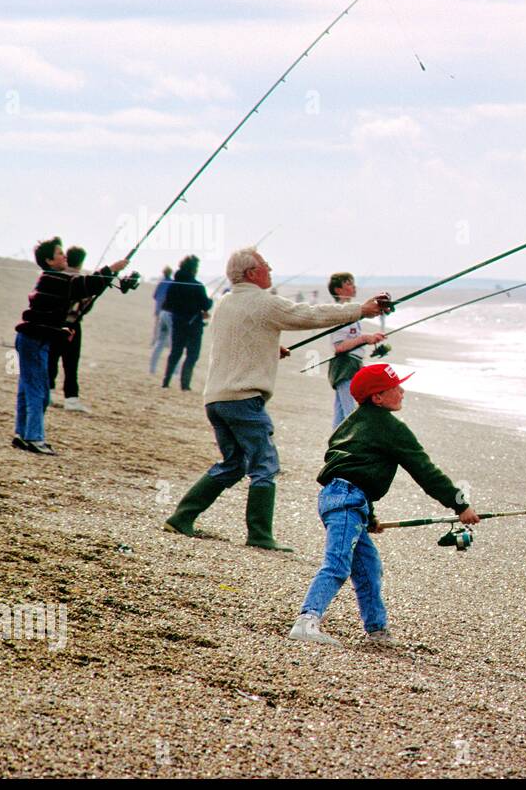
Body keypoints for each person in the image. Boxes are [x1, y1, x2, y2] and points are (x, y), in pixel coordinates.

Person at [163, 247, 385, 551]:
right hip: (243, 399)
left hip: (216, 399)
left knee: (233, 463)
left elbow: (236, 337)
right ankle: (259, 534)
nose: (271, 269)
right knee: (265, 464)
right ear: (252, 273)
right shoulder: (262, 302)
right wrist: (361, 310)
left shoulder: (225, 302)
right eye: (266, 265)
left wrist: (268, 347)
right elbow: (309, 314)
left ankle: (181, 517)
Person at [289, 363, 479, 646]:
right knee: (338, 563)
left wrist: (369, 515)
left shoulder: (351, 424)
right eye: (395, 387)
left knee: (368, 567)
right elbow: (425, 471)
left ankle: (377, 632)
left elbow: (355, 466)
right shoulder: (390, 428)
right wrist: (459, 506)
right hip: (348, 500)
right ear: (377, 398)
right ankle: (306, 621)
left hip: (343, 498)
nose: (402, 391)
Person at [13, 237, 128, 454]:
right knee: (39, 393)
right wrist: (113, 268)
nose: (64, 256)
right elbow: (85, 285)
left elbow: (43, 315)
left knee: (27, 390)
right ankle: (35, 439)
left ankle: (21, 435)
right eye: (59, 253)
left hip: (34, 338)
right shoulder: (55, 279)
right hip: (34, 341)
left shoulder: (50, 279)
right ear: (49, 260)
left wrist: (60, 331)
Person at [325, 272, 385, 427]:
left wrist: (371, 338)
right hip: (345, 366)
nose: (354, 286)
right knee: (350, 412)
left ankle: (336, 447)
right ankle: (347, 446)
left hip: (352, 364)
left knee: (341, 412)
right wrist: (365, 338)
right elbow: (339, 347)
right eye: (349, 284)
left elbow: (351, 342)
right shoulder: (340, 313)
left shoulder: (350, 313)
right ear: (338, 290)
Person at [47, 246, 95, 413]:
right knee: (71, 363)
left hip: (53, 323)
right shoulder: (82, 281)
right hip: (73, 325)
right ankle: (71, 400)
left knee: (51, 358)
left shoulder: (55, 276)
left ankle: (48, 393)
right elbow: (85, 308)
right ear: (81, 261)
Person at [161, 255, 213, 391]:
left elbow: (167, 305)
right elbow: (206, 305)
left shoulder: (174, 284)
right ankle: (185, 384)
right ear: (193, 269)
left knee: (175, 353)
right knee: (192, 355)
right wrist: (208, 303)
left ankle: (166, 381)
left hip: (177, 322)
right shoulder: (197, 285)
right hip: (194, 325)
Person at [149, 265, 173, 375]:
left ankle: (155, 341)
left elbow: (154, 295)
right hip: (167, 310)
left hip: (159, 308)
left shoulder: (161, 282)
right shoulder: (172, 283)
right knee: (167, 332)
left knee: (158, 327)